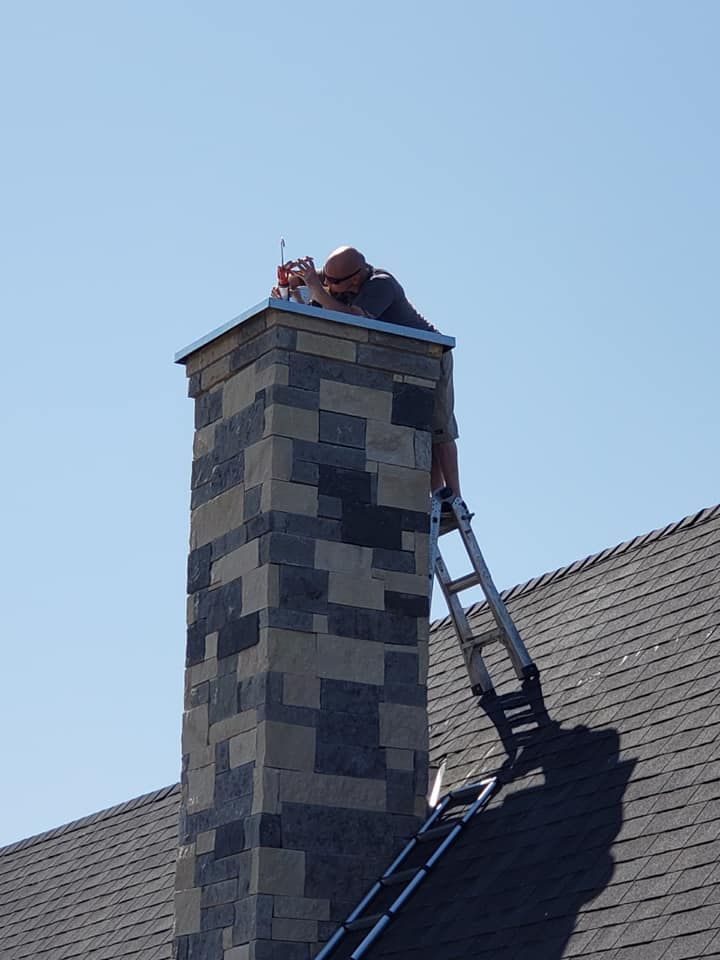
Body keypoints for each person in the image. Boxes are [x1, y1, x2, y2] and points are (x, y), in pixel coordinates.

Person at [293, 246, 461, 497]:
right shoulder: (340, 277)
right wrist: (293, 277)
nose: (328, 285)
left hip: (431, 355)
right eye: (326, 279)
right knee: (420, 429)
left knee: (440, 427)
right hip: (403, 361)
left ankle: (455, 495)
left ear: (355, 278)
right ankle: (436, 495)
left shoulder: (381, 285)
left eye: (333, 282)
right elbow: (311, 281)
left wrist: (316, 289)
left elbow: (356, 318)